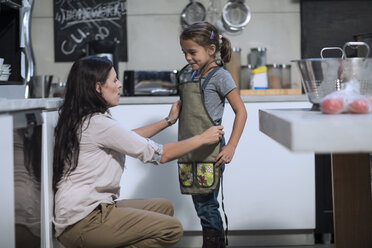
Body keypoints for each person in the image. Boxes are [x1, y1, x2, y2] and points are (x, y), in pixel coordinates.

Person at [52, 56, 224, 248]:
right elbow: (161, 154)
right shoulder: (98, 123)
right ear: (98, 87)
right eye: (114, 80)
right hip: (83, 221)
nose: (119, 85)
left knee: (164, 207)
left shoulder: (87, 118)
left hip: (87, 210)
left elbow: (127, 138)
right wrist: (202, 138)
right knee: (172, 229)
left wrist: (168, 120)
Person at [178, 21, 247, 247]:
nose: (188, 57)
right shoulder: (191, 75)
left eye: (192, 52)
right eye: (185, 52)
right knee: (200, 203)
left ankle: (214, 244)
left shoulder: (220, 76)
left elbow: (241, 112)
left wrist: (232, 146)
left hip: (211, 150)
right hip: (190, 147)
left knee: (207, 205)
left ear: (210, 49)